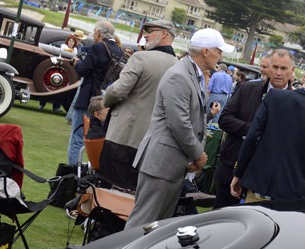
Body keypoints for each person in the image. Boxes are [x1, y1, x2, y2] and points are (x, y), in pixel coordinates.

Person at [124, 28, 232, 228]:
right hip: (161, 164)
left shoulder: (191, 74)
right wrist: (197, 154)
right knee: (142, 223)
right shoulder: (180, 76)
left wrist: (192, 156)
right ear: (206, 51)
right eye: (219, 50)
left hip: (170, 164)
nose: (221, 56)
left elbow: (190, 121)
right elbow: (179, 123)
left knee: (155, 226)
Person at [230, 63, 305, 202]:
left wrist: (238, 173)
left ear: (304, 78)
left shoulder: (274, 96)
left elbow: (251, 138)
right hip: (290, 190)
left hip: (258, 180)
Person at [99, 19, 178, 190]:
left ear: (165, 34)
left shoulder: (141, 58)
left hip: (124, 135)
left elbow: (118, 91)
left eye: (150, 31)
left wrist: (105, 99)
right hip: (151, 142)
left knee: (108, 188)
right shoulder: (178, 66)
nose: (146, 35)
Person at [213, 49, 295, 208]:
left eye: (283, 69)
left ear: (292, 71)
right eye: (275, 67)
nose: (278, 73)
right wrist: (252, 130)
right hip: (232, 166)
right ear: (267, 67)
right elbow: (224, 120)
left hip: (267, 179)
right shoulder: (247, 89)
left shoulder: (297, 103)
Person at [66, 22, 122, 166]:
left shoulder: (98, 47)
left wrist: (77, 63)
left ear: (99, 33)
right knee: (97, 139)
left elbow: (83, 69)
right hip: (105, 100)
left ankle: (73, 171)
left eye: (95, 32)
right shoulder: (118, 50)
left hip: (88, 97)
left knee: (77, 138)